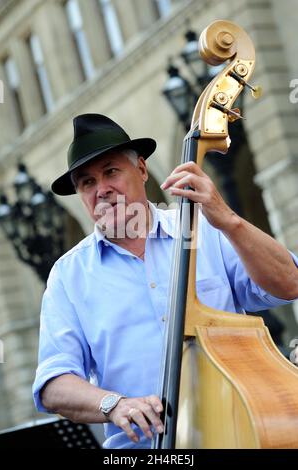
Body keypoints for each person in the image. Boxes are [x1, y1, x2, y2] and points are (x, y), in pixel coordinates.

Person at [32, 113, 298, 449]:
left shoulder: (207, 230)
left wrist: (229, 220)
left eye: (111, 171)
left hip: (240, 431)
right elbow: (54, 383)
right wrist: (114, 405)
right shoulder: (67, 277)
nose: (102, 190)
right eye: (87, 182)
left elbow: (290, 284)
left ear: (142, 170)